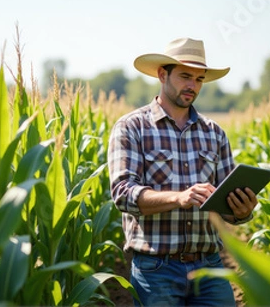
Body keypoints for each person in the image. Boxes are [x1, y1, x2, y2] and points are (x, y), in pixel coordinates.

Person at [108, 38, 258, 306]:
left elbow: (226, 204)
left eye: (199, 79)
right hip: (156, 269)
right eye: (185, 76)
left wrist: (241, 210)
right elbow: (122, 194)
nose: (193, 85)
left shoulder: (214, 133)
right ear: (162, 75)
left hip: (210, 267)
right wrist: (179, 197)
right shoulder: (131, 127)